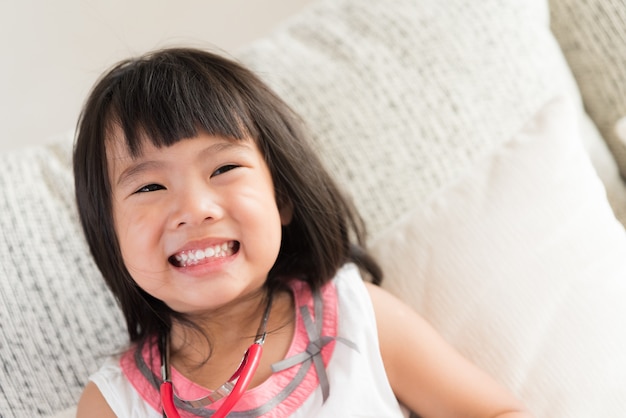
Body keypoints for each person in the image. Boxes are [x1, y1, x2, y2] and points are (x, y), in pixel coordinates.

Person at [73, 47, 532, 417]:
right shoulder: (114, 404)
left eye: (225, 168)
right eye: (150, 186)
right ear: (109, 235)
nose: (195, 209)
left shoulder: (356, 315)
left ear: (283, 199)